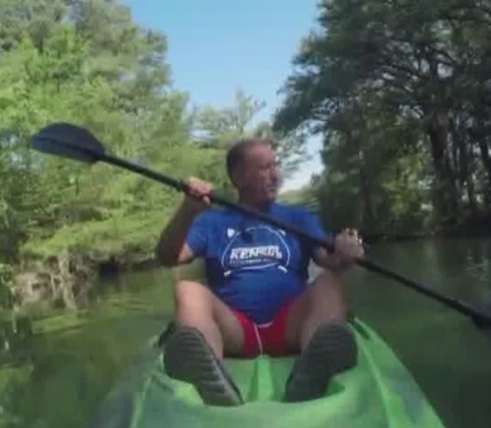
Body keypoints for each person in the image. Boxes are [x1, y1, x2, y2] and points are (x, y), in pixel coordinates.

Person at [154, 137, 365, 405]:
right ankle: (209, 374)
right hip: (235, 331)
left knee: (329, 283)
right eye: (264, 168)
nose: (275, 175)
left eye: (276, 166)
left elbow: (329, 258)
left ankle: (313, 370)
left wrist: (345, 252)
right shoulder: (211, 221)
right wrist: (187, 210)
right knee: (187, 290)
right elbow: (167, 257)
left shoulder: (298, 217)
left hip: (290, 325)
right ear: (239, 177)